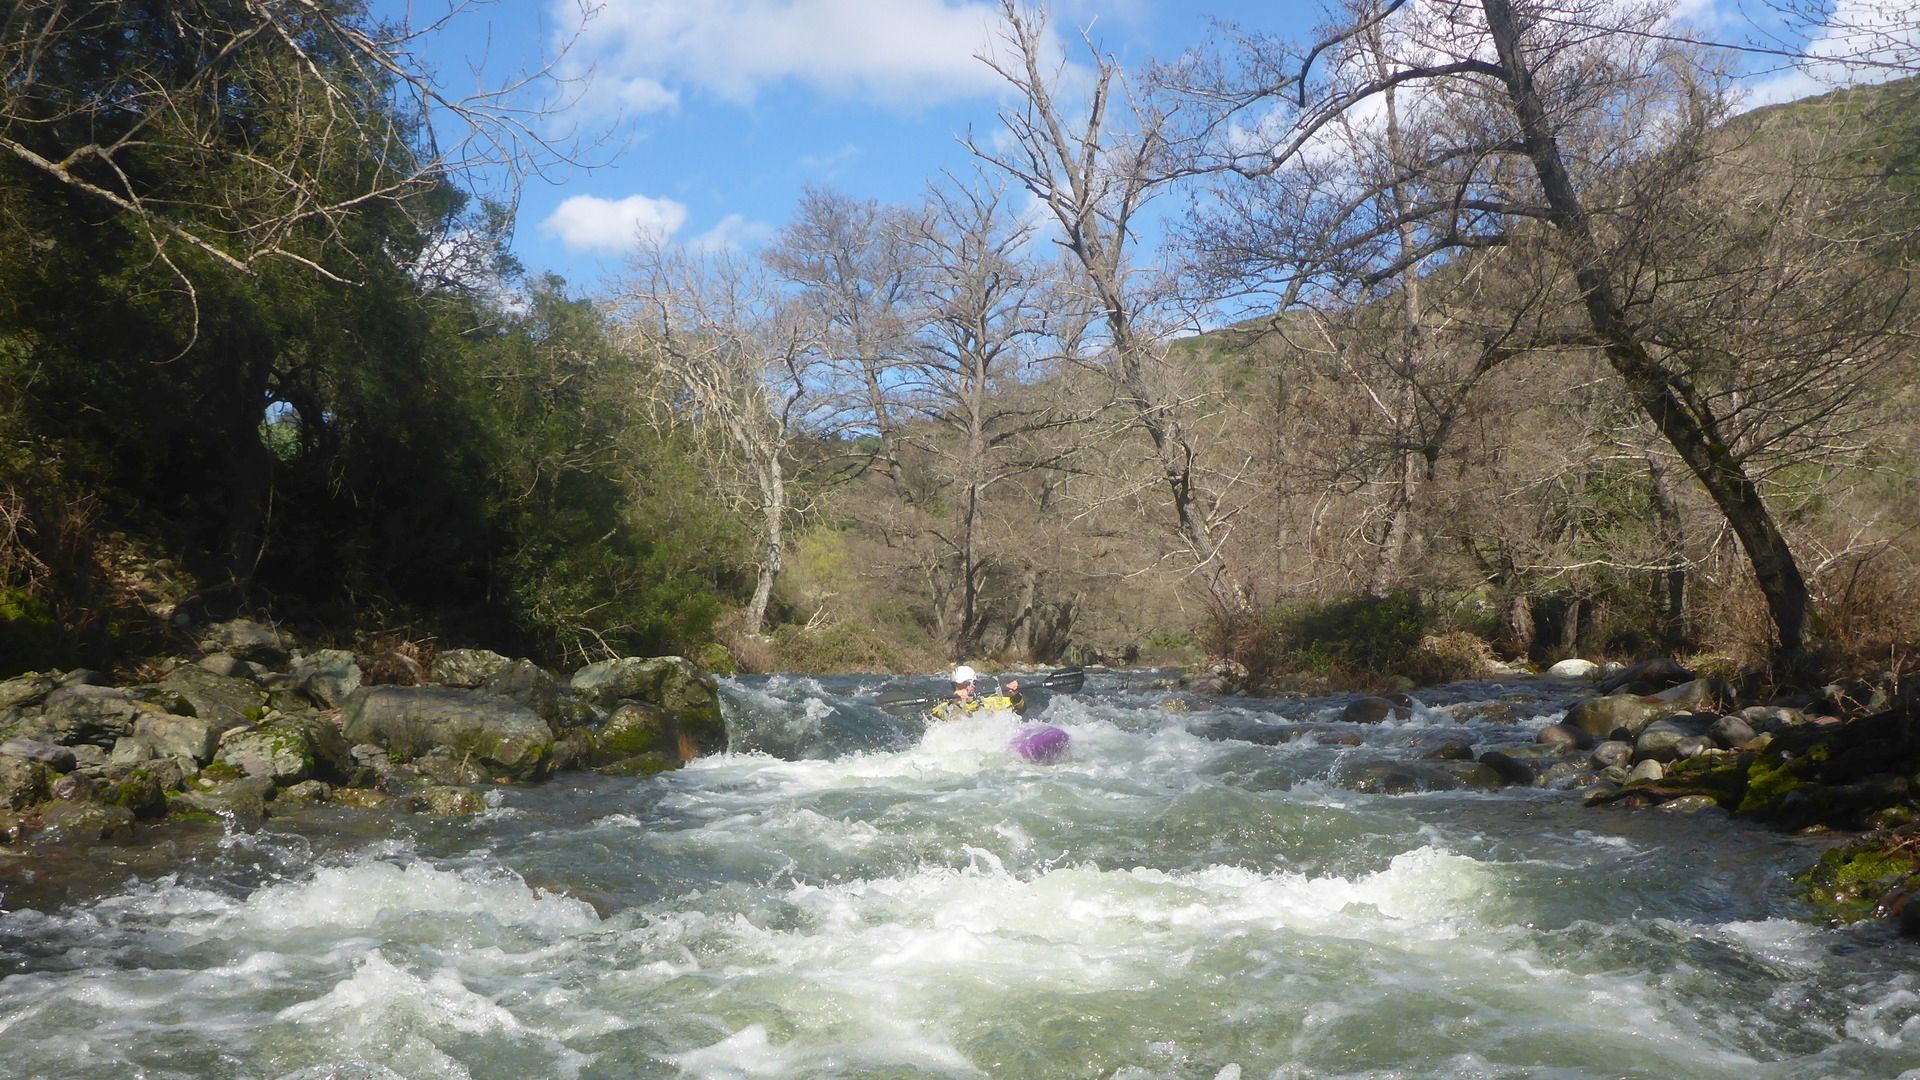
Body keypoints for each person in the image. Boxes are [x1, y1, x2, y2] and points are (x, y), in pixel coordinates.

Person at [929, 663, 1024, 720]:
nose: (961, 689)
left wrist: (1015, 694)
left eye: (965, 684)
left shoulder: (987, 702)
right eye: (957, 686)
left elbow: (1021, 709)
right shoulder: (943, 707)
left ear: (973, 685)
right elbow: (934, 716)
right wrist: (955, 704)